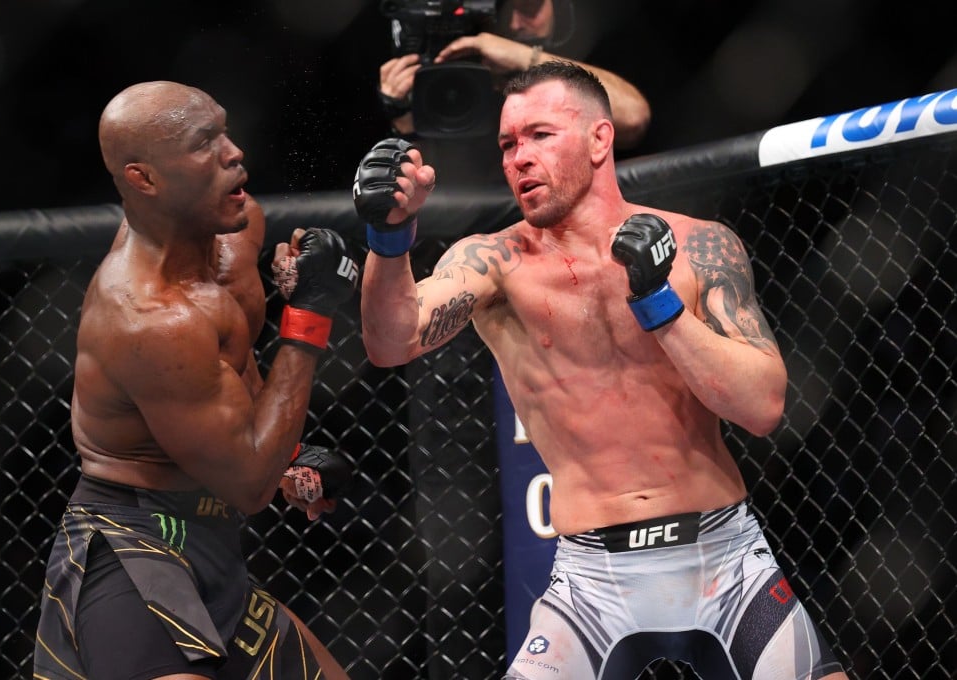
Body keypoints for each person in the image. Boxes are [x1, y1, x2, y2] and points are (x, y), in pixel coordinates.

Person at [353, 61, 849, 679]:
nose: (519, 158)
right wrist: (389, 238)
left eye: (540, 135)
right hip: (592, 580)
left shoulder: (698, 245)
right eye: (507, 144)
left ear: (599, 139)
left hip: (725, 558)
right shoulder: (495, 263)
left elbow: (763, 407)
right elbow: (391, 342)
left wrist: (661, 305)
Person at [33, 81, 357, 680]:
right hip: (133, 547)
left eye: (225, 131)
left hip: (215, 541)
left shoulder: (238, 231)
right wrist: (309, 318)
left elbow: (233, 381)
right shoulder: (148, 316)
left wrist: (287, 458)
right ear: (144, 178)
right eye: (204, 142)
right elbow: (249, 486)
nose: (234, 152)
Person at [378, 0, 650, 148]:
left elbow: (634, 117)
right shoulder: (449, 72)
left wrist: (525, 58)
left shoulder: (593, 42)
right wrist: (402, 117)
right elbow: (429, 196)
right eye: (501, 10)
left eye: (529, 7)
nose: (515, 23)